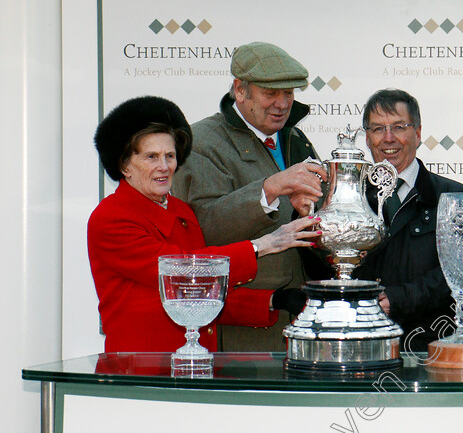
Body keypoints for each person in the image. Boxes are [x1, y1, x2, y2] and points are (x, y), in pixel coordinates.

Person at [87, 96, 321, 353]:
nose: (164, 167)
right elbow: (180, 270)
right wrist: (262, 245)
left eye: (170, 156)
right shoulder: (111, 217)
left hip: (194, 366)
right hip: (144, 368)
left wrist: (275, 300)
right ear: (124, 165)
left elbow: (201, 295)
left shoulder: (181, 211)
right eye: (151, 157)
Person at [171, 42, 330, 351]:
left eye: (288, 93)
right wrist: (268, 189)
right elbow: (202, 229)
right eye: (271, 93)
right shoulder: (202, 141)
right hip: (245, 324)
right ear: (239, 90)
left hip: (300, 316)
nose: (282, 104)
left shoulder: (295, 138)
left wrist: (305, 212)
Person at [352, 89, 463, 353]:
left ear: (417, 133)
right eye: (378, 128)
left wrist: (397, 299)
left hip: (431, 346)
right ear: (367, 138)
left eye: (399, 127)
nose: (388, 138)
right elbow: (323, 268)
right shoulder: (349, 198)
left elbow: (462, 274)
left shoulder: (455, 197)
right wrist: (306, 219)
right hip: (360, 346)